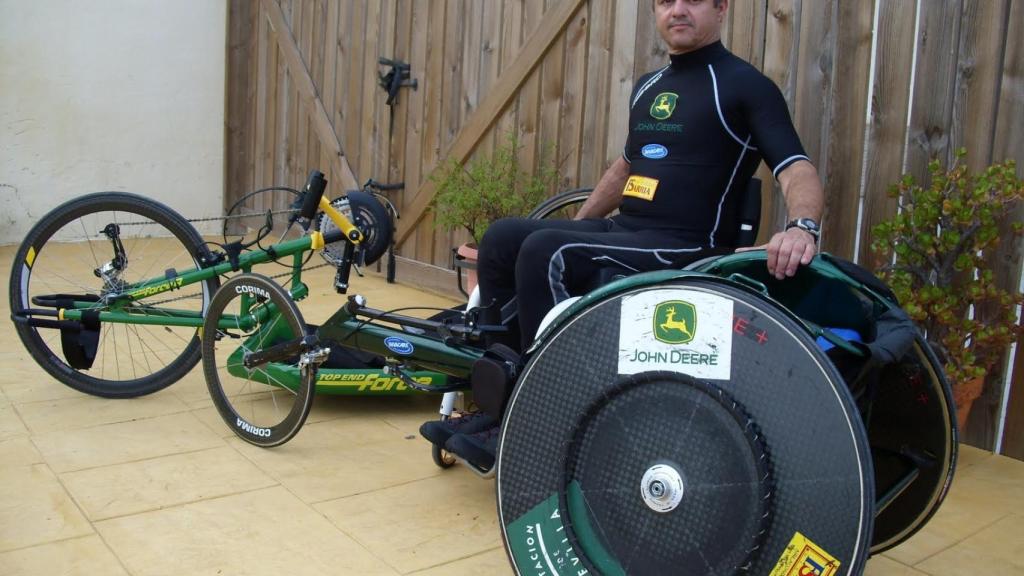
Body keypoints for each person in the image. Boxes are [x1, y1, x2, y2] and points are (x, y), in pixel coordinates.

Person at [421, 0, 825, 471]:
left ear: (721, 8)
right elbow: (626, 167)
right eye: (666, 1)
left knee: (545, 252)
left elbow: (796, 167)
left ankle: (543, 422)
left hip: (689, 245)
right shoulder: (648, 86)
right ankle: (499, 399)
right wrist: (577, 226)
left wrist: (802, 227)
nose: (678, 10)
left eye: (693, 0)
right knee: (502, 238)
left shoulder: (744, 85)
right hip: (629, 230)